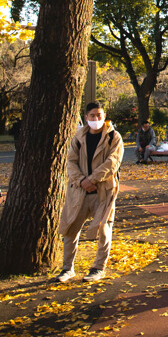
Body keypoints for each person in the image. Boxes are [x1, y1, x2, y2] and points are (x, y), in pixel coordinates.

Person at [54, 101, 124, 284]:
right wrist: (81, 181)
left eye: (99, 115)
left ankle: (98, 268)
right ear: (86, 117)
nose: (96, 119)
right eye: (92, 116)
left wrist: (92, 180)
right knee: (71, 229)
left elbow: (112, 162)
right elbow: (70, 162)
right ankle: (67, 268)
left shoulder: (113, 137)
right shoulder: (78, 137)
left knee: (104, 229)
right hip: (79, 192)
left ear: (104, 115)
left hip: (104, 192)